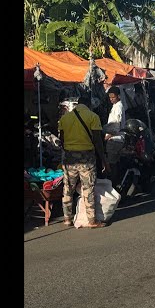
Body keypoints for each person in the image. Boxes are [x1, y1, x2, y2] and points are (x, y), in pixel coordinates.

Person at [58, 96, 110, 229]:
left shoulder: (65, 118)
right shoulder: (93, 117)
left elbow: (62, 140)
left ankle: (67, 219)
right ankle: (92, 221)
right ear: (88, 105)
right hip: (87, 158)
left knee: (68, 188)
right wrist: (104, 160)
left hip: (69, 159)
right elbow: (98, 141)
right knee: (88, 188)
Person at [103, 86, 126, 186]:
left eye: (113, 97)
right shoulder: (116, 106)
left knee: (112, 164)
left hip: (115, 139)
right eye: (110, 97)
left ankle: (113, 184)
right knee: (114, 163)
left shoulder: (118, 107)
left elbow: (116, 126)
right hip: (115, 139)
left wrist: (106, 137)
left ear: (118, 96)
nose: (111, 99)